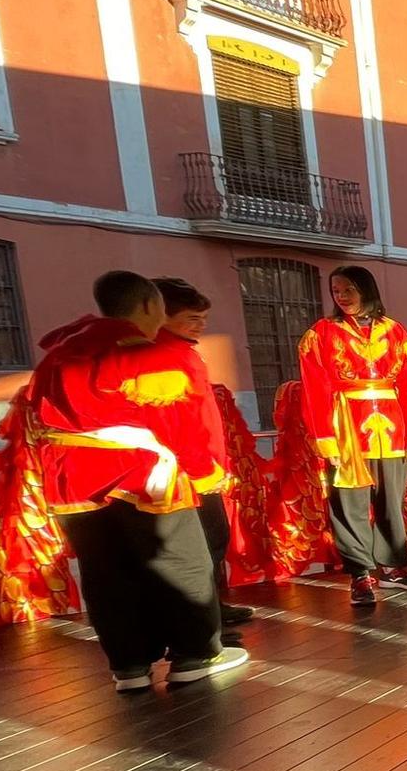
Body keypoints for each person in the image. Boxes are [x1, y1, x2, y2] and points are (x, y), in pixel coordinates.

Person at [29, 271, 243, 689]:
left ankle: (128, 666)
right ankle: (195, 655)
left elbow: (35, 413)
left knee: (105, 570)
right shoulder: (151, 354)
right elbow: (185, 424)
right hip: (141, 473)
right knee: (180, 563)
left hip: (71, 477)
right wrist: (206, 473)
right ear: (148, 306)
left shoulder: (57, 354)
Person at [297, 265, 407, 607]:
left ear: (366, 290)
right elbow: (314, 390)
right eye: (336, 291)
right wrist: (325, 437)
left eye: (348, 291)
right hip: (346, 429)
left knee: (391, 502)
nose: (341, 298)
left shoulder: (397, 333)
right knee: (349, 504)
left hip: (391, 427)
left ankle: (392, 567)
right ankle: (360, 574)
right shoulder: (322, 334)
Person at [153, 279, 256, 634]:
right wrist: (202, 468)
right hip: (187, 471)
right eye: (192, 318)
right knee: (203, 541)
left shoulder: (182, 351)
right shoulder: (165, 356)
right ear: (161, 315)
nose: (201, 325)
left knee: (213, 538)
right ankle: (198, 616)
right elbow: (181, 422)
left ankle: (210, 605)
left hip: (200, 465)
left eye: (202, 317)